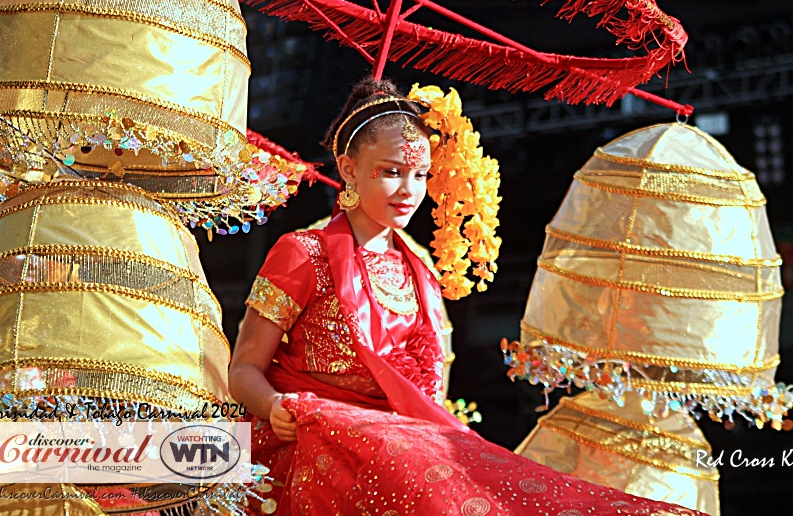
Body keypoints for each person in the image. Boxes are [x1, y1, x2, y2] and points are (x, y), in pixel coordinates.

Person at [228, 77, 702, 516]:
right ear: (350, 169)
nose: (409, 192)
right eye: (392, 172)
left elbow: (429, 396)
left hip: (402, 444)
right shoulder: (302, 253)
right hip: (308, 437)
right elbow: (243, 369)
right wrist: (273, 406)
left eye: (420, 176)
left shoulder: (420, 271)